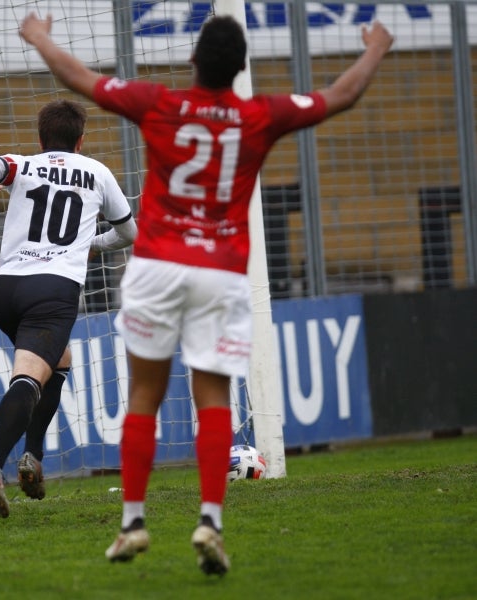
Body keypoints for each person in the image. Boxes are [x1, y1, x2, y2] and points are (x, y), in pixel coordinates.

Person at [20, 12, 393, 573]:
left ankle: (133, 524)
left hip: (157, 266)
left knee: (144, 393)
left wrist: (41, 37)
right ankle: (211, 521)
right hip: (219, 270)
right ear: (242, 68)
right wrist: (375, 48)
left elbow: (81, 79)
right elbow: (341, 94)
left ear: (192, 61)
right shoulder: (258, 114)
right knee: (213, 396)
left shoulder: (159, 104)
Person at [0, 98, 138, 518]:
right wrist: (90, 245)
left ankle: (33, 456)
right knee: (28, 377)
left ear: (41, 139)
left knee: (60, 360)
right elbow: (129, 233)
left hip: (5, 291)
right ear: (81, 141)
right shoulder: (97, 172)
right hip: (53, 293)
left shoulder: (23, 165)